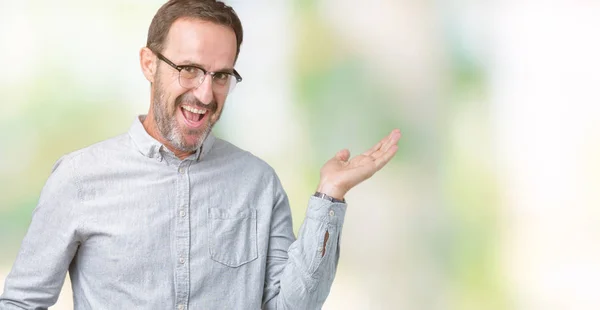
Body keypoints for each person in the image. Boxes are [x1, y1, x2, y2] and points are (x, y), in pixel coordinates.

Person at [0, 0, 401, 309]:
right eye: (189, 69)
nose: (205, 94)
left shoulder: (258, 183)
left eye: (222, 75)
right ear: (148, 64)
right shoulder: (79, 178)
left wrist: (329, 195)